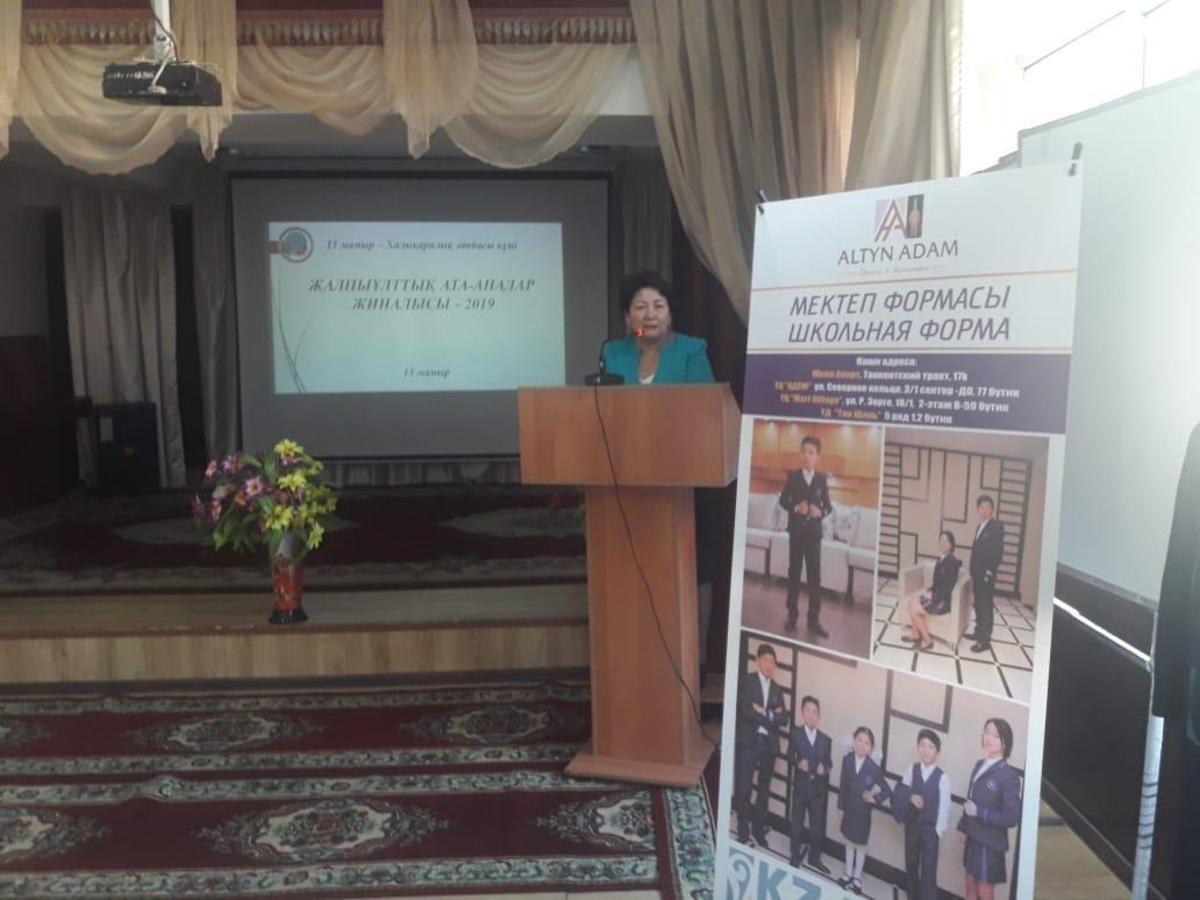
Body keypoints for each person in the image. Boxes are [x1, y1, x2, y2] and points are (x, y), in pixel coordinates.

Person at [601, 271, 715, 385]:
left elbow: (705, 395)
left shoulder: (692, 350)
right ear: (627, 317)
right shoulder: (612, 352)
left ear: (670, 315)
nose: (650, 315)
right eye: (640, 307)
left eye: (658, 306)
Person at [958, 718, 1022, 900]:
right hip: (973, 836)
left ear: (1005, 743)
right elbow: (970, 800)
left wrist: (979, 813)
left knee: (984, 891)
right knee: (969, 884)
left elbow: (1011, 818)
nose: (989, 738)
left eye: (995, 735)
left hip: (989, 843)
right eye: (987, 732)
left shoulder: (1009, 776)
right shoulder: (979, 765)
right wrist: (962, 827)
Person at [778, 437, 833, 637]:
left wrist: (820, 512)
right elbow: (783, 500)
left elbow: (829, 507)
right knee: (794, 573)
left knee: (814, 576)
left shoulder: (822, 479)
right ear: (801, 454)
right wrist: (795, 507)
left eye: (811, 452)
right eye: (805, 451)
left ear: (817, 456)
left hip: (814, 536)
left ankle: (814, 620)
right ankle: (792, 617)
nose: (807, 455)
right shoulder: (793, 476)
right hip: (797, 533)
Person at [734, 644, 788, 846]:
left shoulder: (777, 689)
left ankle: (758, 829)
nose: (769, 665)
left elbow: (784, 719)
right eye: (765, 660)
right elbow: (745, 710)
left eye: (772, 662)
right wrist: (771, 716)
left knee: (764, 789)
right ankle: (743, 829)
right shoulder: (747, 681)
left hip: (768, 745)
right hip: (749, 741)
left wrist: (764, 712)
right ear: (757, 661)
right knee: (744, 787)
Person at [892, 729, 951, 900]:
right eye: (923, 745)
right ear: (918, 747)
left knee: (928, 870)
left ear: (937, 753)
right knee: (911, 864)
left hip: (930, 831)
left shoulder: (942, 778)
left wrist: (937, 832)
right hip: (912, 827)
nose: (926, 750)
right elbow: (901, 791)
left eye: (931, 747)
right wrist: (911, 796)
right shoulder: (912, 769)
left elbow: (944, 809)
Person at [837, 726, 891, 895]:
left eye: (866, 743)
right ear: (854, 741)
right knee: (848, 842)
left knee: (860, 846)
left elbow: (887, 790)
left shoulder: (873, 767)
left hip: (863, 812)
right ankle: (847, 873)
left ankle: (857, 877)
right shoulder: (847, 760)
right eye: (859, 740)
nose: (862, 745)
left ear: (871, 748)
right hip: (849, 809)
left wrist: (874, 798)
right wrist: (840, 807)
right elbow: (843, 785)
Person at [788, 695, 833, 875]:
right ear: (802, 713)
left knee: (817, 827)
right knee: (796, 824)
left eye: (815, 712)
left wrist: (825, 769)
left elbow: (829, 763)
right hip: (801, 787)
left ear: (819, 716)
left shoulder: (825, 740)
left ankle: (815, 858)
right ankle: (794, 854)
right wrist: (798, 763)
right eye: (807, 710)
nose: (811, 715)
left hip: (817, 791)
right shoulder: (795, 734)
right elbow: (789, 755)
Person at [903, 531, 962, 651]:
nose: (943, 543)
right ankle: (915, 635)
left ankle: (928, 641)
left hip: (943, 601)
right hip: (937, 596)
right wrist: (928, 590)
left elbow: (948, 587)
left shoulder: (952, 561)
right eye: (941, 540)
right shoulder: (941, 559)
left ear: (951, 544)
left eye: (946, 541)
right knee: (911, 600)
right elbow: (937, 584)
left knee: (913, 609)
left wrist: (933, 596)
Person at [966, 495, 1005, 653]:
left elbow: (997, 553)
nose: (984, 510)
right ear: (978, 509)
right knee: (978, 604)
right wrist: (972, 571)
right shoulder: (980, 526)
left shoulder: (996, 527)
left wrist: (989, 573)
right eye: (981, 507)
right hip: (977, 573)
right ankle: (978, 632)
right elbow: (976, 551)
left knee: (985, 606)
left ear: (992, 509)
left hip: (985, 575)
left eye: (987, 507)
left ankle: (985, 640)